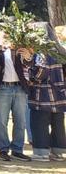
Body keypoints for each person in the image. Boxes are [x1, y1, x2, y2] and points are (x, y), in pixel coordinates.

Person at [25, 22, 66, 162]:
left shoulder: (42, 50)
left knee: (39, 123)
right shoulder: (59, 48)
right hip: (59, 93)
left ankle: (41, 152)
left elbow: (42, 72)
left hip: (43, 94)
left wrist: (31, 78)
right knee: (58, 124)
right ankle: (58, 152)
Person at [0, 28, 32, 161]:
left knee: (20, 121)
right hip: (2, 88)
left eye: (8, 35)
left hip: (19, 88)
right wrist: (3, 46)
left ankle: (17, 149)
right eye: (4, 35)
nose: (7, 37)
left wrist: (28, 57)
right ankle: (3, 149)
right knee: (1, 121)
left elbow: (29, 64)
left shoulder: (17, 48)